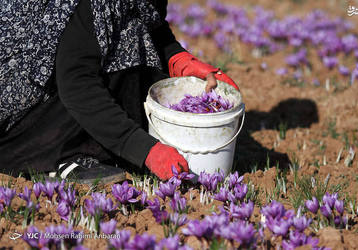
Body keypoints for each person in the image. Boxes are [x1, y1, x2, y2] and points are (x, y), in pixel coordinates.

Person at [0, 0, 239, 184]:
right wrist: (144, 149)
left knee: (136, 50)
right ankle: (68, 155)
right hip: (20, 116)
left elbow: (147, 18)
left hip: (68, 77)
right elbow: (76, 81)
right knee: (126, 45)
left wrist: (179, 58)